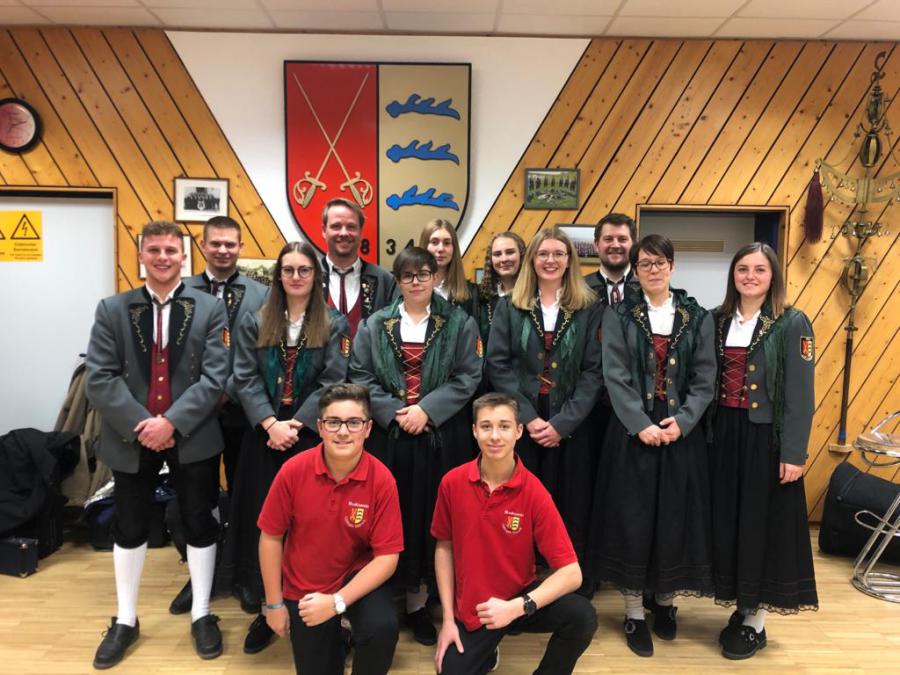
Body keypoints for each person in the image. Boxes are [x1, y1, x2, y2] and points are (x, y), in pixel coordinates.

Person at [86, 221, 229, 668]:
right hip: (131, 437)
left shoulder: (210, 309)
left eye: (171, 250)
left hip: (192, 434)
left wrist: (172, 423)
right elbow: (99, 377)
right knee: (129, 526)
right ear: (141, 255)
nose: (163, 257)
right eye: (154, 250)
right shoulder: (112, 309)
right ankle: (126, 620)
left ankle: (202, 613)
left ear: (184, 257)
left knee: (199, 521)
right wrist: (142, 425)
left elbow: (216, 376)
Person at [588, 234, 716, 658]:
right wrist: (639, 424)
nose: (654, 270)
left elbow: (704, 378)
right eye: (645, 263)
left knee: (674, 518)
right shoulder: (619, 314)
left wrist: (683, 421)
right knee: (633, 520)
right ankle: (632, 612)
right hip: (632, 432)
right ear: (636, 270)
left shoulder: (697, 316)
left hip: (681, 433)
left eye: (660, 262)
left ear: (672, 266)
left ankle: (664, 602)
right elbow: (615, 375)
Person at [220, 241, 351, 655]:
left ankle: (321, 610)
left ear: (316, 275)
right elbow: (243, 377)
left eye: (304, 270)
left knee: (314, 526)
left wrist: (297, 423)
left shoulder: (334, 322)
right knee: (266, 524)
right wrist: (270, 422)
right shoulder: (256, 320)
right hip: (264, 435)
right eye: (289, 269)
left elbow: (334, 378)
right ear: (279, 275)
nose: (296, 277)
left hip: (311, 435)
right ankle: (268, 607)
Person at [349, 246, 483, 646]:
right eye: (407, 275)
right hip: (388, 437)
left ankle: (419, 603)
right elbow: (360, 374)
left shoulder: (459, 322)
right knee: (390, 516)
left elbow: (468, 375)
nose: (416, 282)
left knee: (431, 517)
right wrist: (395, 412)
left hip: (439, 437)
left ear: (436, 277)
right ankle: (382, 596)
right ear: (397, 280)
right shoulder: (374, 324)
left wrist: (426, 410)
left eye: (424, 274)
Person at [432, 393, 598, 675]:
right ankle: (487, 649)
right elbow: (444, 548)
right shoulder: (452, 482)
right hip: (476, 608)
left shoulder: (534, 492)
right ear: (474, 431)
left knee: (582, 616)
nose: (495, 436)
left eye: (504, 426)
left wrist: (518, 607)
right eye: (486, 426)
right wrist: (448, 620)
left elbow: (572, 573)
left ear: (519, 431)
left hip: (519, 599)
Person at [709, 242, 818, 660]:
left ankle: (755, 621)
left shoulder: (792, 322)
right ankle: (741, 606)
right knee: (731, 523)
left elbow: (800, 395)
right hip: (724, 435)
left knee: (760, 526)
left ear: (773, 276)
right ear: (733, 275)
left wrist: (794, 452)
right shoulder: (718, 320)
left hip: (765, 439)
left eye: (759, 269)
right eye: (743, 269)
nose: (750, 276)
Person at [486, 227, 602, 592]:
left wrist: (564, 423)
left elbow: (593, 371)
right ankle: (520, 578)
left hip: (572, 420)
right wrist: (529, 417)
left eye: (558, 254)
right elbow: (498, 365)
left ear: (570, 260)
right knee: (521, 501)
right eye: (543, 254)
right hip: (523, 420)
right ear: (532, 260)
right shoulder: (510, 306)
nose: (550, 260)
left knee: (572, 500)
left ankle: (570, 581)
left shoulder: (589, 307)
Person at [258, 383, 403, 675]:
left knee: (382, 627)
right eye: (333, 422)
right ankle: (340, 637)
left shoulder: (382, 479)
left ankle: (348, 628)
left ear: (368, 429)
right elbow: (271, 537)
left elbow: (387, 557)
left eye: (354, 423)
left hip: (356, 575)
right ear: (320, 427)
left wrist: (338, 602)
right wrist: (273, 605)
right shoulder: (293, 471)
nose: (343, 431)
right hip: (306, 584)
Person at [169, 215, 268, 616]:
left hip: (243, 411)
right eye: (216, 243)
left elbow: (261, 352)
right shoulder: (181, 291)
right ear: (203, 245)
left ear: (240, 247)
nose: (223, 250)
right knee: (197, 497)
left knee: (246, 495)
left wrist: (226, 389)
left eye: (231, 244)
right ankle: (201, 575)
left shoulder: (262, 294)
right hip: (195, 413)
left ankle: (243, 573)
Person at [319, 198, 396, 337]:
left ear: (361, 232)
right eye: (336, 226)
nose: (344, 233)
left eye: (351, 226)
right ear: (324, 231)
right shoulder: (308, 277)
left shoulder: (385, 281)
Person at [420, 219, 480, 319]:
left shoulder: (471, 292)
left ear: (454, 248)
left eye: (447, 243)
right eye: (434, 242)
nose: (440, 249)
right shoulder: (408, 287)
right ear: (424, 246)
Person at [476, 231, 526, 347]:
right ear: (491, 260)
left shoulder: (535, 296)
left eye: (510, 252)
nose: (504, 259)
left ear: (521, 255)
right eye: (497, 254)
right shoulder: (483, 299)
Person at [583, 212, 639, 307]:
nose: (615, 245)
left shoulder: (647, 286)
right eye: (608, 239)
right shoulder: (580, 288)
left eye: (622, 239)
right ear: (596, 245)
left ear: (634, 245)